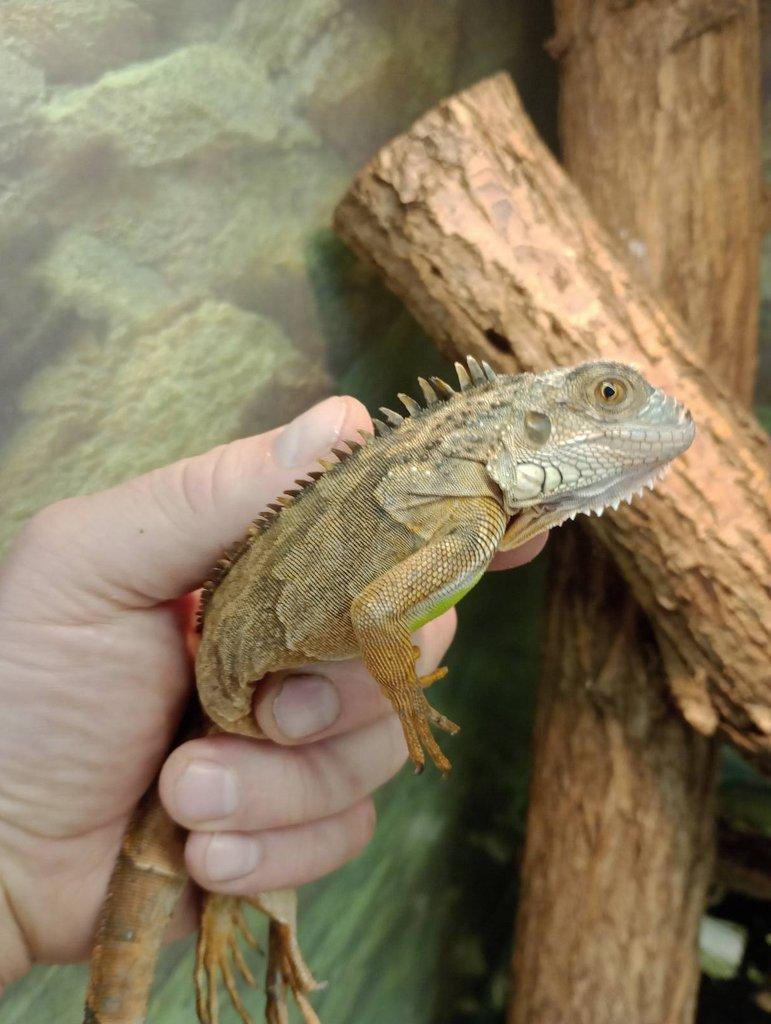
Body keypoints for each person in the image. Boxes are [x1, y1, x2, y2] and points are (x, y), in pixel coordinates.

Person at [0, 395, 545, 989]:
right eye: (607, 398)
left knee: (271, 759)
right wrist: (405, 698)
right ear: (535, 424)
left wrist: (18, 890)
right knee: (269, 753)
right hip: (218, 681)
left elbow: (376, 613)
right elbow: (378, 613)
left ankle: (229, 904)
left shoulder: (475, 514)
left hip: (216, 707)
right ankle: (231, 906)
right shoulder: (470, 520)